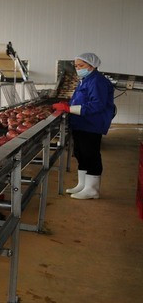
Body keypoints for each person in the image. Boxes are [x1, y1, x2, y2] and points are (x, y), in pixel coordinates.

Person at [52, 52, 115, 200]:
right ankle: (83, 184)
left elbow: (96, 105)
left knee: (90, 154)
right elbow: (80, 100)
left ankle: (92, 189)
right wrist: (69, 105)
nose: (78, 68)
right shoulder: (85, 80)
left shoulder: (97, 81)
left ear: (92, 66)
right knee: (80, 153)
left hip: (91, 124)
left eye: (81, 65)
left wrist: (68, 109)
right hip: (81, 123)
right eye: (76, 66)